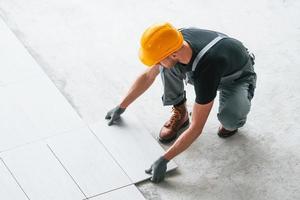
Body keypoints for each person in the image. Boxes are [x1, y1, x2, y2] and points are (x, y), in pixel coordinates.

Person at [105, 22, 257, 183]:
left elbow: (196, 128)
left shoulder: (207, 68)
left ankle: (233, 116)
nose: (155, 63)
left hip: (235, 78)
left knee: (230, 119)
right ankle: (181, 111)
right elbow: (148, 76)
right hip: (205, 67)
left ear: (174, 55)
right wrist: (121, 106)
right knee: (165, 67)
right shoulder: (174, 41)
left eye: (157, 60)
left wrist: (165, 159)